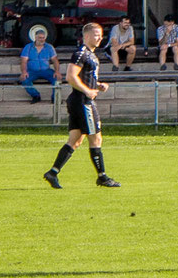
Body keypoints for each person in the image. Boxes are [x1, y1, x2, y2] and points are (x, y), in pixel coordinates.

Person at [45, 21, 119, 189]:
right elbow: (71, 76)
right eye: (96, 34)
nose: (100, 37)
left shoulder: (92, 55)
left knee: (75, 140)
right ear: (86, 36)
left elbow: (84, 76)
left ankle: (53, 172)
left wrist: (97, 84)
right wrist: (87, 91)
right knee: (96, 137)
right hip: (83, 101)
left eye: (101, 34)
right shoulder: (81, 53)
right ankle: (102, 177)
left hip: (80, 100)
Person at [19, 26, 57, 103]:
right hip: (32, 71)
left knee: (57, 79)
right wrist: (24, 72)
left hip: (46, 70)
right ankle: (36, 96)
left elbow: (55, 61)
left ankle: (55, 98)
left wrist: (57, 71)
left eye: (43, 37)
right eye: (40, 37)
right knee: (24, 80)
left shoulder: (49, 47)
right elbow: (23, 61)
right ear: (35, 38)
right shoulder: (28, 47)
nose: (42, 39)